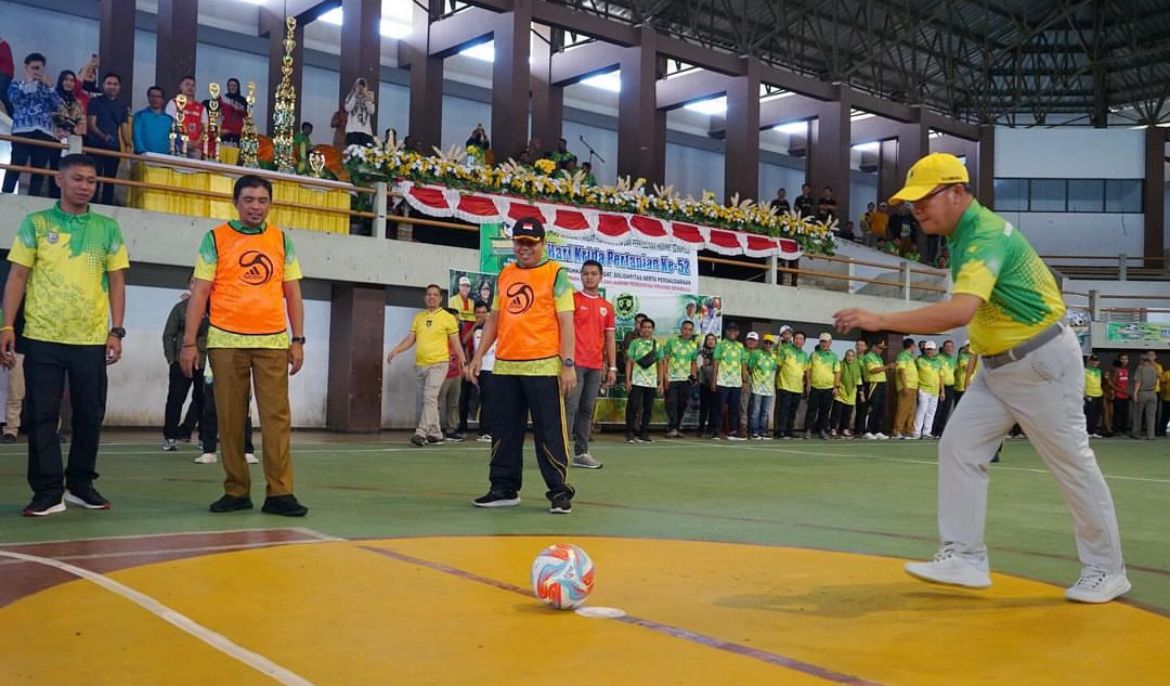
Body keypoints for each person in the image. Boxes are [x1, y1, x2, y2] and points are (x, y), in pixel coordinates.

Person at [833, 152, 1129, 603]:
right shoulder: (966, 232)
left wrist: (879, 318)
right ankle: (965, 556)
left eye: (924, 199)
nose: (916, 210)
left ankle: (1107, 569)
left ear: (957, 192)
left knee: (1071, 464)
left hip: (1039, 363)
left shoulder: (985, 235)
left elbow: (958, 312)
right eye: (912, 202)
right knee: (959, 447)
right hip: (1001, 366)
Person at [1, 154, 129, 516]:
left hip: (90, 339)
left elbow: (117, 282)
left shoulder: (107, 228)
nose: (85, 186)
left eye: (90, 180)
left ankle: (80, 484)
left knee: (89, 413)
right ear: (60, 180)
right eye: (77, 179)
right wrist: (6, 325)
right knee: (41, 415)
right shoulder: (36, 224)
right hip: (42, 335)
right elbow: (17, 277)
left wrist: (116, 330)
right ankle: (47, 491)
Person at [179, 174, 308, 517]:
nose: (255, 206)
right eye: (248, 200)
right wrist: (190, 342)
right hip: (225, 341)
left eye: (262, 200)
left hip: (272, 341)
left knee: (276, 418)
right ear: (235, 202)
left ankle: (280, 493)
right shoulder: (215, 239)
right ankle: (236, 489)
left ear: (270, 204)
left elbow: (292, 292)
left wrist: (297, 339)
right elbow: (200, 293)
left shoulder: (282, 240)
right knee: (230, 418)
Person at [466, 217, 576, 514]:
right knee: (504, 431)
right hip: (505, 366)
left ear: (542, 244)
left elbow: (566, 322)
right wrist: (478, 356)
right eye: (519, 242)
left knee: (549, 431)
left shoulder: (557, 274)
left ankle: (558, 491)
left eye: (531, 243)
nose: (524, 248)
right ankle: (503, 488)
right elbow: (495, 319)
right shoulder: (505, 274)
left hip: (543, 367)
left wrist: (568, 364)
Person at [386, 285, 464, 446]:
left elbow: (456, 343)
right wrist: (397, 349)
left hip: (439, 363)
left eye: (435, 295)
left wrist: (464, 361)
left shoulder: (448, 318)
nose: (432, 297)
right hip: (421, 364)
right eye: (429, 294)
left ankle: (421, 433)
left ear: (440, 299)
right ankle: (435, 433)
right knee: (429, 400)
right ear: (425, 297)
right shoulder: (419, 317)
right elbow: (410, 338)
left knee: (429, 397)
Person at [563, 260, 615, 468]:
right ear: (581, 276)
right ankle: (560, 452)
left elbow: (610, 339)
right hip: (574, 364)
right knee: (570, 407)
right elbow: (563, 331)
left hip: (595, 366)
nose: (589, 277)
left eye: (594, 273)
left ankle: (581, 453)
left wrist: (612, 367)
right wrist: (565, 361)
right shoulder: (572, 300)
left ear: (601, 277)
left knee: (586, 409)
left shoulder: (607, 307)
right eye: (585, 273)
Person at [2, 53, 62, 198]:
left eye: (40, 69)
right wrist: (28, 83)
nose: (37, 72)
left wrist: (50, 87)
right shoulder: (16, 84)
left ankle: (33, 198)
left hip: (44, 131)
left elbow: (59, 106)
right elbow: (12, 98)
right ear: (26, 68)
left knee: (39, 167)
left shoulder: (47, 88)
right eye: (34, 68)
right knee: (17, 161)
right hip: (23, 129)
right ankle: (5, 194)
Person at [161, 279, 203, 449]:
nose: (196, 286)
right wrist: (172, 359)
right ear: (188, 286)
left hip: (204, 363)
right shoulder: (180, 309)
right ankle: (169, 437)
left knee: (204, 401)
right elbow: (168, 334)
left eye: (200, 282)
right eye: (193, 283)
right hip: (181, 362)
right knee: (175, 399)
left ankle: (205, 439)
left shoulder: (213, 308)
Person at [84, 72, 128, 206]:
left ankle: (106, 207)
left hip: (114, 147)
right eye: (109, 83)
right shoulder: (95, 102)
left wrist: (128, 143)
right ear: (103, 85)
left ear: (119, 87)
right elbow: (91, 125)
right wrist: (104, 137)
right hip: (95, 146)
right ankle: (91, 205)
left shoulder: (122, 106)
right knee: (93, 178)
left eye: (115, 84)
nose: (112, 86)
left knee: (110, 180)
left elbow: (124, 126)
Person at [624, 317, 663, 443]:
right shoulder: (635, 343)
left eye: (649, 327)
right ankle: (629, 432)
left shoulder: (657, 345)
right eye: (644, 327)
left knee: (648, 408)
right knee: (633, 407)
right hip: (636, 380)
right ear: (640, 329)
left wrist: (660, 382)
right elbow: (629, 362)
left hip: (651, 382)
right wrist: (628, 379)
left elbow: (660, 364)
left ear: (653, 329)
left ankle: (644, 432)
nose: (647, 329)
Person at [710, 322, 747, 440]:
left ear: (738, 333)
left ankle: (733, 431)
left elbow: (743, 364)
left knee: (734, 408)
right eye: (730, 330)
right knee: (719, 407)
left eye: (735, 331)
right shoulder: (720, 345)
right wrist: (713, 381)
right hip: (722, 381)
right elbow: (715, 363)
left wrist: (744, 381)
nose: (732, 333)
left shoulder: (740, 346)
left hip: (736, 383)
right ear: (726, 332)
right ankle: (716, 431)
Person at [663, 320, 699, 438]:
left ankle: (677, 427)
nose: (687, 332)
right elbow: (665, 360)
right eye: (685, 329)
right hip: (672, 379)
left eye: (690, 330)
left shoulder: (693, 345)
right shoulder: (672, 342)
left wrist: (693, 377)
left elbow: (693, 362)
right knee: (671, 403)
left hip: (685, 380)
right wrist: (664, 377)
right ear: (681, 330)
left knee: (682, 404)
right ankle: (672, 427)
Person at [803, 333, 839, 439]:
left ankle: (822, 430)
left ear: (830, 342)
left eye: (826, 341)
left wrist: (836, 387)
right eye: (822, 341)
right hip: (814, 387)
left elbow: (837, 372)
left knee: (825, 411)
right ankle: (808, 430)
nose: (824, 344)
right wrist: (808, 383)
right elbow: (808, 370)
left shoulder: (834, 356)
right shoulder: (813, 354)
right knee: (811, 410)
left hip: (828, 388)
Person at [774, 330, 808, 439]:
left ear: (804, 342)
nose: (799, 341)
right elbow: (778, 366)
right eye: (797, 338)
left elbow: (805, 371)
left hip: (797, 387)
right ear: (793, 339)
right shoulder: (785, 350)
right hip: (784, 385)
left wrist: (806, 385)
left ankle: (789, 430)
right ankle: (780, 431)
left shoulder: (804, 354)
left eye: (801, 339)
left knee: (792, 411)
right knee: (783, 409)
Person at [471, 303, 497, 442]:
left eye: (485, 312)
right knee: (487, 401)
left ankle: (491, 429)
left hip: (497, 369)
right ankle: (484, 431)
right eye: (478, 312)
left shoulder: (496, 331)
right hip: (485, 370)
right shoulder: (479, 332)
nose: (482, 315)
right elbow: (480, 351)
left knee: (494, 401)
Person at [747, 333, 778, 439]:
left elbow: (774, 370)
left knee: (765, 412)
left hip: (769, 389)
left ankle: (762, 431)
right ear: (763, 343)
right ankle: (754, 431)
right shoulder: (756, 353)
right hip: (757, 387)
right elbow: (750, 367)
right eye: (766, 342)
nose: (768, 345)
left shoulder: (774, 356)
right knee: (756, 411)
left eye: (770, 343)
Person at [165, 76, 205, 159]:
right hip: (177, 146)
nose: (190, 87)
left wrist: (196, 143)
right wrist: (182, 141)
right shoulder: (173, 103)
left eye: (193, 85)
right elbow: (169, 125)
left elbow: (204, 129)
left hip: (195, 148)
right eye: (187, 84)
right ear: (181, 86)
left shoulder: (201, 108)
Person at [861, 339, 892, 439]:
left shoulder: (878, 358)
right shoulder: (868, 357)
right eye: (879, 348)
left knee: (880, 409)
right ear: (873, 347)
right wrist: (888, 367)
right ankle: (867, 431)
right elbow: (873, 370)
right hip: (873, 384)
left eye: (882, 348)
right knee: (871, 408)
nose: (881, 350)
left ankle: (877, 430)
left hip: (881, 383)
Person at [913, 340, 943, 440]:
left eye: (931, 349)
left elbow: (941, 377)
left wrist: (942, 391)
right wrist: (917, 388)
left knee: (931, 412)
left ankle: (927, 432)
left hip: (935, 390)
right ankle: (916, 432)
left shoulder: (938, 362)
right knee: (922, 410)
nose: (929, 351)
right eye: (927, 349)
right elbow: (915, 375)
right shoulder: (919, 360)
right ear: (924, 350)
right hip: (923, 388)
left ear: (935, 350)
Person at [437, 333, 464, 441]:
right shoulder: (440, 339)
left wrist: (461, 370)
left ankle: (451, 429)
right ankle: (433, 429)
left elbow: (459, 355)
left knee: (453, 403)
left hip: (456, 374)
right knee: (437, 402)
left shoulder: (456, 339)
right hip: (443, 374)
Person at [132, 86, 173, 155]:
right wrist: (141, 151)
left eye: (158, 97)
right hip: (143, 156)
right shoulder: (140, 116)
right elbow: (136, 135)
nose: (155, 99)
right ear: (148, 98)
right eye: (152, 96)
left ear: (163, 100)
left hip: (165, 158)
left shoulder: (169, 119)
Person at [831, 348, 862, 438]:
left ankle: (844, 429)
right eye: (848, 355)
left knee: (847, 413)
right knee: (836, 412)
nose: (850, 358)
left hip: (851, 393)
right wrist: (836, 387)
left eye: (852, 356)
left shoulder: (857, 366)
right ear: (845, 356)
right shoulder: (841, 364)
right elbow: (837, 376)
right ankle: (833, 429)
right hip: (840, 391)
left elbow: (858, 380)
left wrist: (861, 392)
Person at [892, 338, 918, 439]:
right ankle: (897, 430)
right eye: (914, 346)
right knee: (903, 409)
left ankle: (907, 431)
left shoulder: (910, 357)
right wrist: (905, 386)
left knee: (911, 410)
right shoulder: (902, 356)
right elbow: (901, 371)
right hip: (906, 387)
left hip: (913, 387)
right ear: (912, 346)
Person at [931, 339, 957, 437]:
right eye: (947, 346)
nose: (949, 348)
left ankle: (941, 432)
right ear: (944, 347)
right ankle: (934, 431)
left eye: (951, 346)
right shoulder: (938, 358)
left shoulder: (953, 359)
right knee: (939, 409)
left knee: (946, 410)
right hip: (941, 387)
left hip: (950, 387)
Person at [1131, 352, 1159, 440]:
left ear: (1142, 360)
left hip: (1142, 393)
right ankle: (1151, 435)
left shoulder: (1140, 368)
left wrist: (1135, 393)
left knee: (1138, 414)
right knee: (1151, 416)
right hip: (1153, 393)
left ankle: (1136, 433)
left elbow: (1138, 382)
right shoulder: (1154, 368)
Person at [696, 334, 718, 436]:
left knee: (714, 408)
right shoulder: (701, 352)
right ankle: (701, 429)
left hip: (715, 383)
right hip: (704, 383)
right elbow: (697, 366)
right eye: (708, 339)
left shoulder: (718, 352)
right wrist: (703, 364)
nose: (710, 341)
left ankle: (711, 429)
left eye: (713, 339)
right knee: (704, 408)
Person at [344, 78, 376, 147]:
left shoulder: (369, 96)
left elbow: (371, 111)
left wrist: (366, 97)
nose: (360, 89)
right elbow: (347, 108)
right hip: (352, 130)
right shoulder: (350, 96)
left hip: (366, 131)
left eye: (363, 86)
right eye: (359, 86)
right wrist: (355, 95)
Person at [1106, 355, 1130, 438]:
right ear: (1119, 360)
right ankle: (1116, 431)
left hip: (1125, 396)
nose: (1124, 361)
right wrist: (1118, 390)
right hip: (1118, 395)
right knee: (1117, 414)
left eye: (1126, 359)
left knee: (1125, 414)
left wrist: (1126, 392)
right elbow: (1110, 382)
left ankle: (1123, 431)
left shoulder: (1126, 370)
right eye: (1122, 359)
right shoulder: (1115, 370)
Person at [218, 78, 247, 145]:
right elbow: (213, 109)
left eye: (234, 86)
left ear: (238, 87)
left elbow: (247, 116)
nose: (232, 87)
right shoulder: (222, 98)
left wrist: (241, 109)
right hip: (225, 131)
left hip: (238, 132)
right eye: (230, 85)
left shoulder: (243, 100)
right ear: (227, 87)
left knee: (236, 153)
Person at [1083, 354, 1104, 438]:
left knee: (1096, 414)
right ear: (1089, 361)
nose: (1094, 362)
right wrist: (1084, 395)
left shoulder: (1098, 371)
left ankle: (1093, 431)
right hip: (1089, 395)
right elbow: (1081, 383)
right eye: (1093, 361)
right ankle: (1086, 432)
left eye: (1096, 361)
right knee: (1089, 414)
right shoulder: (1084, 370)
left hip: (1098, 395)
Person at [0, 36, 13, 116]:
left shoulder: (4, 45)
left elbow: (4, 57)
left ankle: (12, 113)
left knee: (1, 93)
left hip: (5, 73)